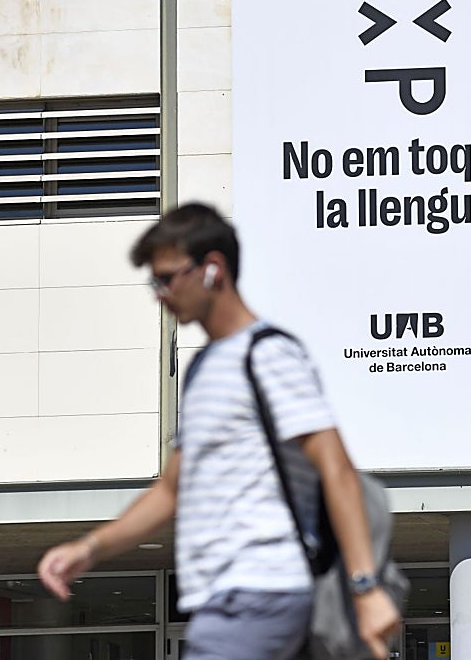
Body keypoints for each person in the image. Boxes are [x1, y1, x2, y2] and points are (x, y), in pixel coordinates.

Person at [37, 202, 401, 660]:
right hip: (220, 595)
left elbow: (337, 469)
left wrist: (366, 588)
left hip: (260, 587)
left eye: (167, 278)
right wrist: (89, 549)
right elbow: (170, 491)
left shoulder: (268, 355)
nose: (160, 294)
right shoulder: (203, 369)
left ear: (213, 269)